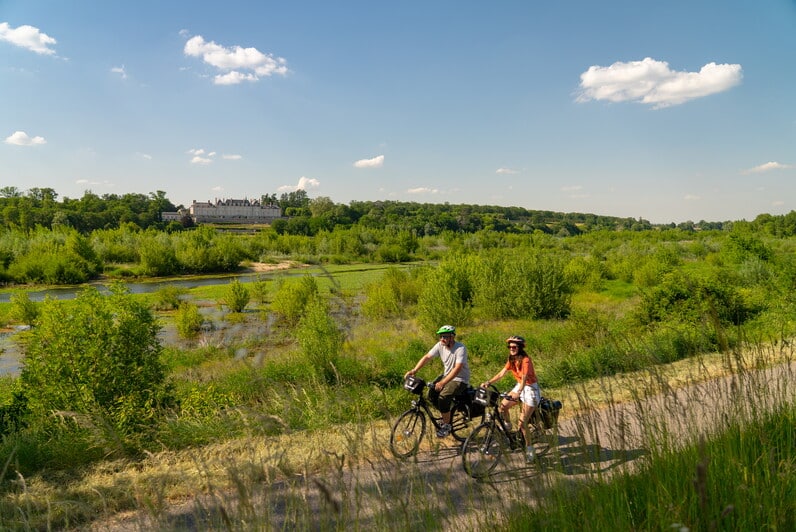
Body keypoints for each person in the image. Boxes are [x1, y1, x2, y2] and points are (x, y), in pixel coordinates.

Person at [480, 335, 540, 463]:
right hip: (519, 386)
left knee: (522, 424)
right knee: (503, 406)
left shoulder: (526, 360)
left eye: (514, 347)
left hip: (530, 389)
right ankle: (507, 425)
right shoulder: (511, 359)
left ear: (520, 348)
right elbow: (502, 373)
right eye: (510, 346)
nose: (511, 349)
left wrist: (519, 392)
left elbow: (524, 378)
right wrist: (488, 382)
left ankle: (529, 449)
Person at [405, 325, 470, 438]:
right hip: (446, 375)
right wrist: (414, 370)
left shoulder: (460, 348)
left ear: (452, 337)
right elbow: (427, 357)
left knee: (443, 397)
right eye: (441, 336)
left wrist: (443, 383)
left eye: (445, 336)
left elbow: (457, 369)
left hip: (460, 379)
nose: (442, 339)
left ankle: (447, 425)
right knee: (430, 395)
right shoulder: (440, 345)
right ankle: (447, 414)